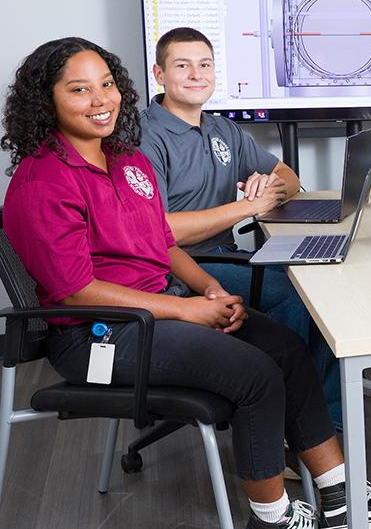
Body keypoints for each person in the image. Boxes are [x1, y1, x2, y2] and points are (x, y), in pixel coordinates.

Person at [0, 37, 371, 529]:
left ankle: (340, 498)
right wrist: (185, 310)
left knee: (286, 348)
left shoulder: (124, 161)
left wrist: (208, 290)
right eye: (79, 90)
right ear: (46, 102)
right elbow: (75, 290)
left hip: (160, 307)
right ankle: (272, 519)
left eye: (107, 85)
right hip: (99, 334)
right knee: (255, 374)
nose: (100, 101)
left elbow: (158, 241)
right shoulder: (42, 182)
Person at [138, 27, 342, 428]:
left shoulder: (221, 129)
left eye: (205, 65)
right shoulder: (146, 137)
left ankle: (322, 420)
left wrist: (269, 185)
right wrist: (244, 207)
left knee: (319, 284)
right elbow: (161, 232)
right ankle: (306, 428)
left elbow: (290, 176)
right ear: (159, 74)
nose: (197, 74)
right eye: (183, 65)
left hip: (223, 255)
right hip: (177, 268)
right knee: (296, 298)